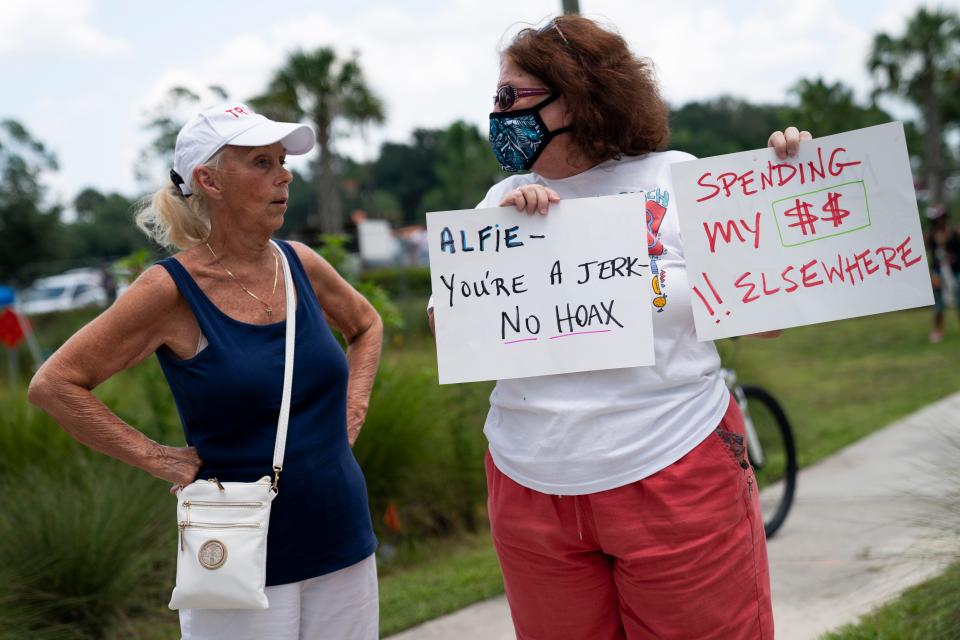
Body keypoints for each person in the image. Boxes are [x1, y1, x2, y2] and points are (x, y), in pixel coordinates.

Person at [428, 16, 811, 639]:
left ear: (576, 96)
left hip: (674, 471)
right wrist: (506, 238)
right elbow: (451, 331)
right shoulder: (499, 201)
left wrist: (784, 185)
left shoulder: (677, 179)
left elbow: (765, 323)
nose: (497, 116)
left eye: (510, 98)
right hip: (532, 488)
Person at [27, 103, 382, 640]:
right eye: (261, 163)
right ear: (209, 181)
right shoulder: (169, 291)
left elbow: (366, 324)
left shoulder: (301, 264)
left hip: (345, 538)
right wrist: (159, 458)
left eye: (283, 161)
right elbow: (53, 384)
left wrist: (353, 408)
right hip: (236, 558)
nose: (284, 175)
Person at [924, 204, 960, 343]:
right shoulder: (931, 234)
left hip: (956, 271)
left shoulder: (955, 231)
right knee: (938, 305)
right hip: (938, 273)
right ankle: (937, 331)